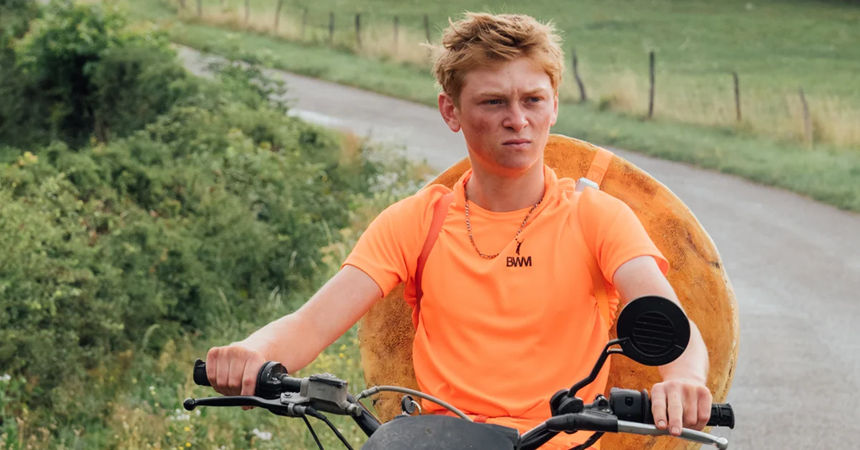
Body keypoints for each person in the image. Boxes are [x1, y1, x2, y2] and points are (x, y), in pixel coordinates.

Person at [203, 12, 712, 449]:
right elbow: (309, 326)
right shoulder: (416, 222)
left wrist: (684, 381)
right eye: (493, 102)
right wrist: (253, 352)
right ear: (452, 111)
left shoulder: (596, 216)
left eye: (533, 100)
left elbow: (673, 325)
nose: (518, 120)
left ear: (554, 105)